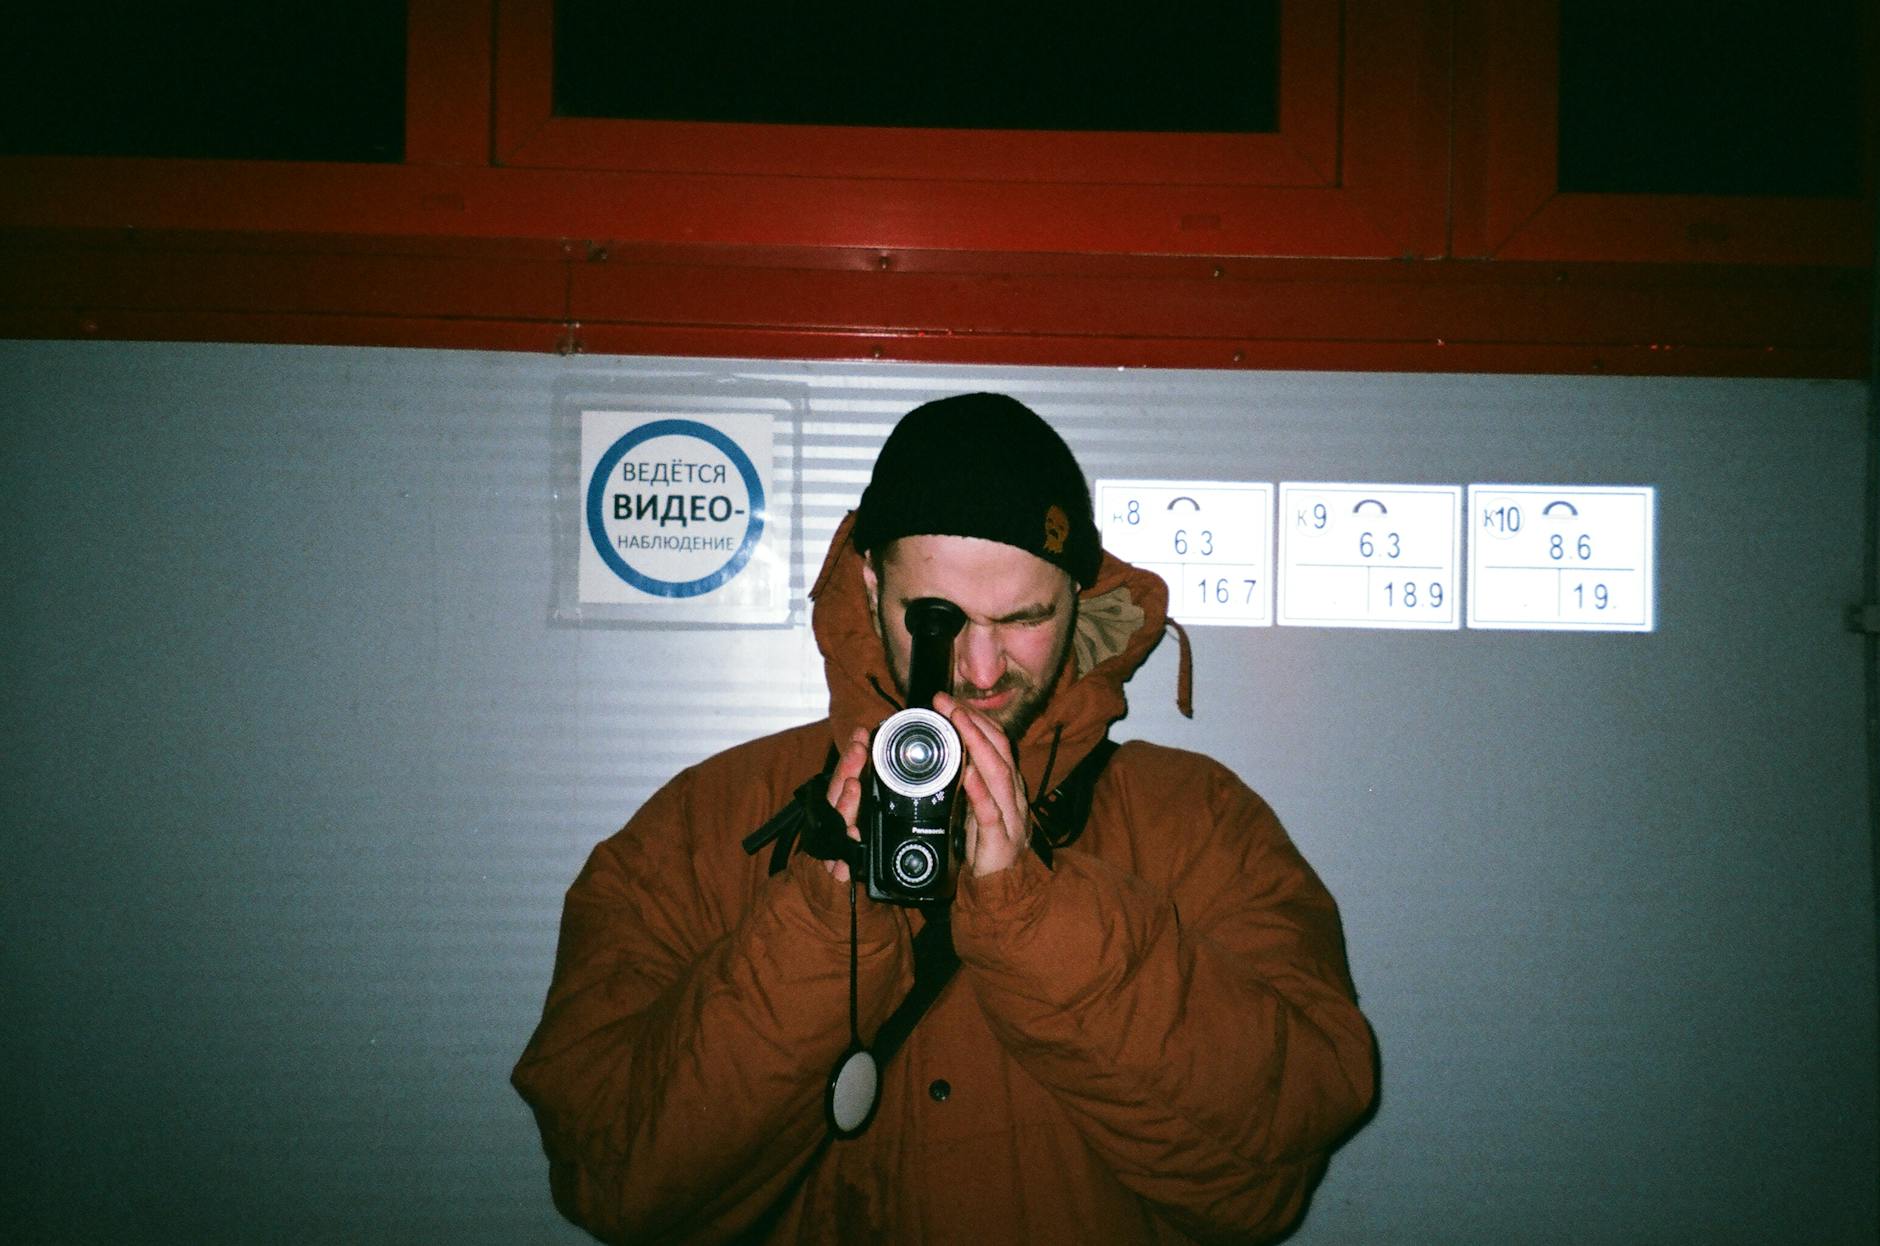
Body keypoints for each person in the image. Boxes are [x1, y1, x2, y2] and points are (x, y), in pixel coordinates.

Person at [513, 392, 1375, 1244]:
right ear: (867, 581)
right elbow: (611, 1177)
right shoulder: (708, 824)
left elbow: (1275, 1151)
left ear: (1078, 598)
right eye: (937, 619)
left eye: (1026, 618)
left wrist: (1034, 912)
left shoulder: (1196, 821)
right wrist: (827, 919)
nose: (981, 665)